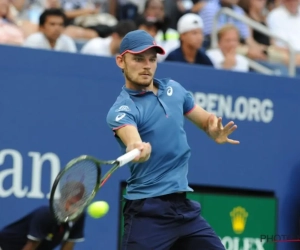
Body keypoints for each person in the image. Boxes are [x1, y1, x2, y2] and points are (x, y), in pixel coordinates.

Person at [106, 30, 239, 250]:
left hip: (184, 209)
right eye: (138, 59)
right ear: (121, 61)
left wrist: (213, 129)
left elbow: (206, 120)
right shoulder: (122, 110)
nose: (147, 65)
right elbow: (131, 139)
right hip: (147, 213)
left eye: (152, 59)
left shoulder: (174, 90)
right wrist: (138, 148)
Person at [0, 182, 86, 250]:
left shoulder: (79, 215)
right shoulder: (46, 214)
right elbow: (31, 246)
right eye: (72, 204)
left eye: (79, 205)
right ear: (62, 200)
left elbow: (68, 246)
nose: (76, 210)